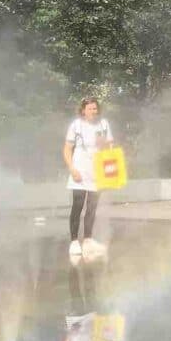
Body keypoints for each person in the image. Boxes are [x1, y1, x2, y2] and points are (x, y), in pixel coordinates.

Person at [63, 97, 113, 258]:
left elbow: (109, 148)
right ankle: (73, 242)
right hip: (79, 171)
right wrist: (72, 169)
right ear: (83, 110)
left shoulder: (103, 124)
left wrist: (104, 144)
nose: (94, 111)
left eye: (95, 108)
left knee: (92, 207)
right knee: (77, 205)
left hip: (96, 172)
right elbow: (67, 149)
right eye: (90, 108)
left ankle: (88, 240)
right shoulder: (76, 125)